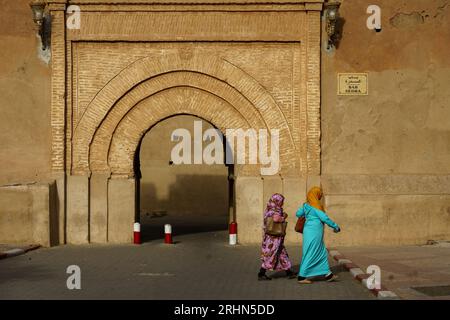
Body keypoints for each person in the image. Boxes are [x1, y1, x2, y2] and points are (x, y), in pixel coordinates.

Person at [296, 187, 341, 284]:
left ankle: (328, 274)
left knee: (320, 251)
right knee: (311, 252)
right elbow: (325, 218)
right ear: (316, 195)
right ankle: (302, 276)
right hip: (315, 232)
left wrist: (306, 211)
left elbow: (298, 213)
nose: (320, 196)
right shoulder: (316, 207)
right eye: (319, 194)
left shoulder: (306, 205)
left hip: (308, 231)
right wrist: (335, 226)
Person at [258, 193, 295, 280]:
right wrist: (283, 217)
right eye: (282, 201)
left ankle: (289, 272)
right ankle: (261, 273)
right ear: (277, 201)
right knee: (271, 255)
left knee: (282, 254)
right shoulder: (276, 210)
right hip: (274, 238)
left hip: (270, 236)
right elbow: (276, 219)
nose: (282, 203)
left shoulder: (269, 208)